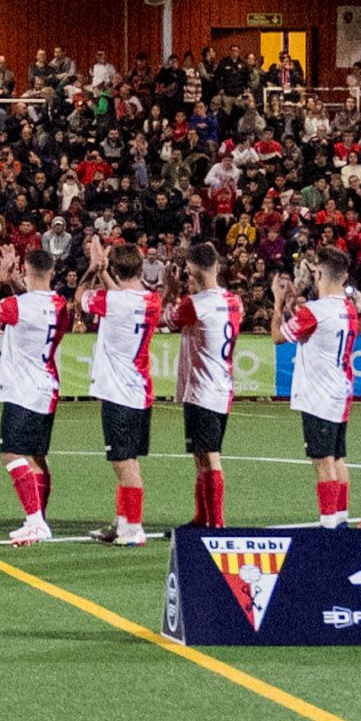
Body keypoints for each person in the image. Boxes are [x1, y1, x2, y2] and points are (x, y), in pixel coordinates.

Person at [79, 231, 163, 545]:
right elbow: (122, 296)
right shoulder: (152, 300)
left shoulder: (110, 300)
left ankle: (134, 528)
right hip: (140, 389)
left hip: (119, 392)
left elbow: (81, 298)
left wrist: (93, 270)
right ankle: (123, 521)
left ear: (114, 270)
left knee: (123, 462)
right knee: (128, 459)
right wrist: (105, 271)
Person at [0, 239, 69, 545]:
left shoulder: (17, 306)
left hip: (22, 390)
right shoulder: (60, 305)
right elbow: (34, 301)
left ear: (25, 269)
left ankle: (35, 521)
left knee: (11, 453)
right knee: (37, 456)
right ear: (52, 270)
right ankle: (38, 518)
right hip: (47, 388)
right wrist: (17, 281)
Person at [280, 247, 361, 525]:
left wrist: (280, 303)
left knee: (323, 461)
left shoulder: (314, 311)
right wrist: (296, 310)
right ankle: (341, 518)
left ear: (321, 273)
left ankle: (328, 525)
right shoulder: (349, 309)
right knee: (338, 458)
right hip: (340, 390)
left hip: (319, 394)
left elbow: (278, 337)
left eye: (315, 272)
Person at [173, 242, 246, 532]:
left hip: (203, 389)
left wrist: (169, 290)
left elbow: (168, 319)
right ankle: (202, 518)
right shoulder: (234, 300)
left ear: (191, 270)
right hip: (220, 385)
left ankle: (215, 524)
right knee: (202, 455)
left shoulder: (194, 304)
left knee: (210, 456)